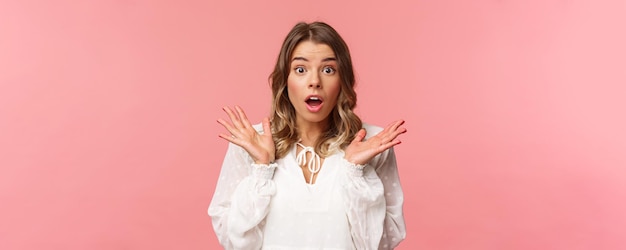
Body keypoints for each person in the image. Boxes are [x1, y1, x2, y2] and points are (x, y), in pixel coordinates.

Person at [208, 21, 407, 250]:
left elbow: (381, 243)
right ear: (285, 80)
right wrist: (261, 169)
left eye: (328, 69)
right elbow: (234, 242)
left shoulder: (372, 143)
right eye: (301, 70)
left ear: (343, 81)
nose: (314, 82)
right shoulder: (251, 142)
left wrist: (355, 171)